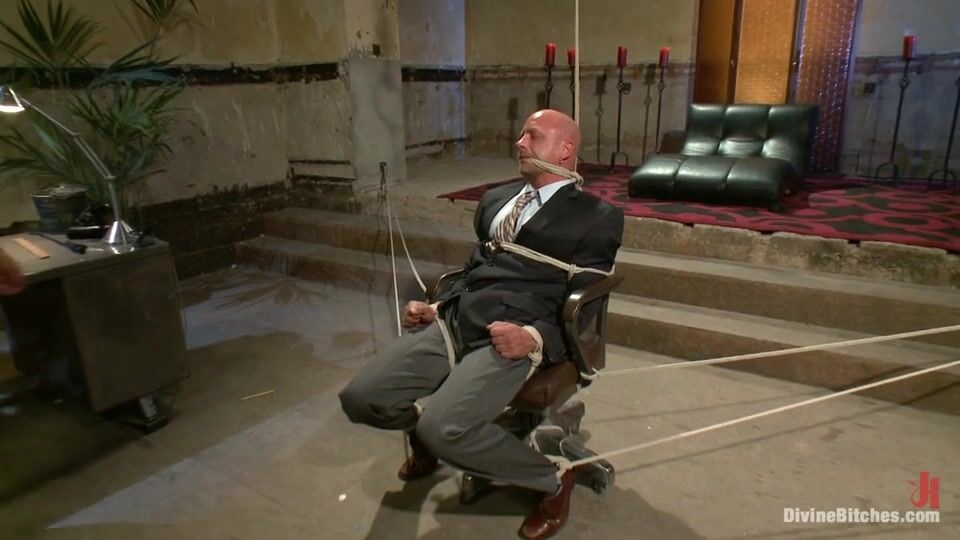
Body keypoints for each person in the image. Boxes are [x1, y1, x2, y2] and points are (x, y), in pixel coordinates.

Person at [339, 109, 624, 540]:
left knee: (443, 429)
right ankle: (427, 441)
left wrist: (534, 337)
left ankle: (550, 478)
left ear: (566, 149)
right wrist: (438, 305)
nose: (520, 143)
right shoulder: (496, 200)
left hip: (512, 335)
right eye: (521, 135)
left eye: (532, 136)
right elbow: (478, 267)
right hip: (458, 316)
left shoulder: (596, 217)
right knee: (362, 398)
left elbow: (587, 300)